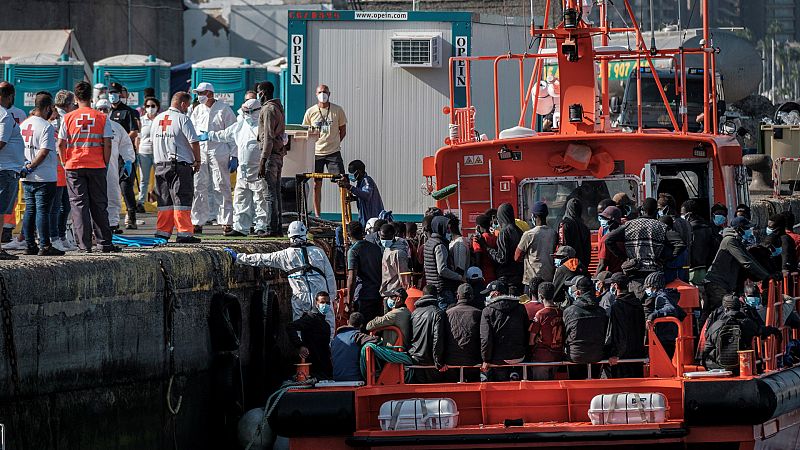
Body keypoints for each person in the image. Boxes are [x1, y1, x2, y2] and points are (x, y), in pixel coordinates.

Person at [226, 221, 337, 322]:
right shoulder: (318, 252)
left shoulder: (284, 255)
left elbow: (261, 259)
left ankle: (301, 344)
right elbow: (330, 276)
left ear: (289, 235)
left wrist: (239, 257)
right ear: (305, 235)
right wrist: (331, 298)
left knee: (298, 328)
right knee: (327, 325)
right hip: (321, 297)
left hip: (300, 297)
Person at [57, 81, 118, 253]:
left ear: (75, 98)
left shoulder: (67, 118)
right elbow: (107, 144)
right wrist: (105, 163)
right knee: (99, 204)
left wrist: (64, 161)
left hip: (74, 166)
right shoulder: (102, 117)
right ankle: (104, 243)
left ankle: (84, 246)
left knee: (79, 205)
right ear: (91, 97)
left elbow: (61, 143)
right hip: (97, 165)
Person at [200, 99, 268, 237]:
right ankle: (240, 227)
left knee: (260, 200)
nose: (247, 114)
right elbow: (224, 134)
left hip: (259, 170)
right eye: (245, 112)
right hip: (243, 171)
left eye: (250, 112)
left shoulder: (264, 126)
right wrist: (209, 135)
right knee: (241, 200)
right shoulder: (241, 125)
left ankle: (262, 226)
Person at [150, 92, 202, 243]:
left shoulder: (158, 119)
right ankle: (184, 233)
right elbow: (194, 141)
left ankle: (162, 233)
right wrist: (197, 161)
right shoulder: (183, 119)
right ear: (183, 104)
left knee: (164, 201)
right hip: (179, 166)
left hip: (160, 165)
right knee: (182, 198)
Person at [703, 216, 772, 326]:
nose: (749, 230)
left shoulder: (737, 241)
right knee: (722, 315)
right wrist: (766, 276)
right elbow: (746, 262)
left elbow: (750, 260)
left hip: (722, 283)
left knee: (715, 315)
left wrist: (766, 274)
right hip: (718, 283)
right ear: (739, 229)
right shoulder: (730, 241)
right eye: (746, 228)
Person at [19, 92, 63, 256]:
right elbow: (44, 151)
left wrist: (26, 167)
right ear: (46, 108)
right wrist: (32, 166)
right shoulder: (46, 126)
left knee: (30, 210)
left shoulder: (24, 124)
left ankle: (30, 244)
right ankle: (45, 245)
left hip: (26, 175)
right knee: (43, 210)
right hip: (44, 176)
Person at [189, 82, 237, 234]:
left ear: (210, 93)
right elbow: (191, 132)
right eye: (198, 93)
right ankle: (197, 221)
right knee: (198, 186)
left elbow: (233, 134)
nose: (199, 96)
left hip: (219, 151)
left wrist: (234, 155)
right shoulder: (197, 110)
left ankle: (226, 221)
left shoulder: (224, 110)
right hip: (200, 151)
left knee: (221, 185)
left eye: (201, 93)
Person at [303, 84, 348, 218]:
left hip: (333, 152)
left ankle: (345, 215)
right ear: (316, 94)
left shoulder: (337, 110)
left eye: (325, 92)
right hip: (316, 153)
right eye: (320, 92)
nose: (323, 94)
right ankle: (318, 215)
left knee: (342, 181)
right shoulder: (310, 112)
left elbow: (343, 130)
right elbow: (305, 131)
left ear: (329, 93)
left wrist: (335, 142)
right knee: (317, 184)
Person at [701, 295, 775, 373]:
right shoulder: (747, 323)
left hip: (719, 365)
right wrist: (774, 330)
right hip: (742, 364)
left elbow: (707, 347)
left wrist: (704, 364)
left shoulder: (716, 325)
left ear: (725, 309)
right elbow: (761, 331)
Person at [95, 99, 136, 234]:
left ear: (110, 111)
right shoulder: (91, 126)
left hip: (111, 168)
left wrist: (128, 161)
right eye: (100, 109)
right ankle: (95, 226)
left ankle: (112, 224)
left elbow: (126, 145)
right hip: (93, 167)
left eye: (105, 109)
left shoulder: (117, 128)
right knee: (94, 198)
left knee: (113, 195)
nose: (102, 112)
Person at [562, 276, 611, 379]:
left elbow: (564, 334)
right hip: (597, 355)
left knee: (575, 383)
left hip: (575, 356)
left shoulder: (569, 311)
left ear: (578, 292)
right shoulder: (601, 311)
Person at [604, 197, 668, 275]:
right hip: (654, 271)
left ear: (642, 209)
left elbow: (608, 240)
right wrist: (664, 259)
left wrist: (624, 258)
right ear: (656, 211)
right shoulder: (661, 226)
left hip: (633, 270)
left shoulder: (629, 225)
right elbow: (679, 244)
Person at [480, 280, 528, 381]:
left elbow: (486, 338)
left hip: (499, 359)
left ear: (496, 293)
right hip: (519, 356)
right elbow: (526, 331)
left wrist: (486, 359)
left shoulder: (487, 311)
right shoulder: (520, 307)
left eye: (489, 293)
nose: (488, 296)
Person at [107, 82, 140, 230]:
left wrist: (121, 141)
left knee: (126, 186)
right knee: (111, 186)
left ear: (120, 94)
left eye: (115, 93)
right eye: (110, 93)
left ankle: (131, 214)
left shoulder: (128, 112)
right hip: (111, 155)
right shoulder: (107, 113)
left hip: (125, 154)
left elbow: (134, 132)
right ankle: (112, 219)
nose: (112, 96)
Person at [256, 81, 286, 237]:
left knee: (269, 194)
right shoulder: (278, 107)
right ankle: (277, 228)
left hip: (270, 155)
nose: (257, 95)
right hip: (278, 154)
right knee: (275, 193)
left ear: (264, 92)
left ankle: (271, 229)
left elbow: (267, 137)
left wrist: (262, 161)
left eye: (259, 92)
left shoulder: (268, 109)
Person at [48, 90, 76, 252]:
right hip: (58, 168)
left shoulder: (66, 117)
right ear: (67, 104)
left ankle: (62, 236)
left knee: (65, 205)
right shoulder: (55, 119)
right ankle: (55, 237)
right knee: (56, 206)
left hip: (66, 167)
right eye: (73, 104)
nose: (74, 106)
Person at [603, 272, 646, 378]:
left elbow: (618, 332)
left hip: (622, 358)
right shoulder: (638, 304)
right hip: (637, 354)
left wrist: (616, 354)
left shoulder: (617, 306)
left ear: (616, 286)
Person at [286, 292, 335, 379]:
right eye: (322, 302)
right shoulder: (310, 318)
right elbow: (290, 327)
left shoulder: (324, 323)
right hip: (313, 366)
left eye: (327, 303)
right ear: (316, 303)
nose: (325, 305)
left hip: (323, 366)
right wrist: (300, 345)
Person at [443, 283, 482, 382]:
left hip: (451, 360)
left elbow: (441, 338)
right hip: (473, 360)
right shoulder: (478, 313)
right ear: (472, 296)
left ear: (457, 296)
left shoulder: (448, 313)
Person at [346, 221, 383, 324]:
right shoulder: (375, 248)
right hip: (377, 294)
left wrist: (349, 302)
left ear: (349, 235)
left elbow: (352, 277)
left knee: (362, 330)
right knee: (375, 329)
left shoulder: (353, 251)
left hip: (363, 296)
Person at [642, 271, 685, 358]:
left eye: (649, 287)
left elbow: (670, 309)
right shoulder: (668, 296)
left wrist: (654, 315)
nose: (647, 290)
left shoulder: (661, 296)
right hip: (669, 337)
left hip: (664, 338)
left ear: (655, 286)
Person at [409, 285, 446, 383]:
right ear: (436, 296)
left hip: (415, 359)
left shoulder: (414, 313)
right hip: (430, 362)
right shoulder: (438, 313)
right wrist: (439, 362)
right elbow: (437, 339)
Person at [424, 215, 462, 309]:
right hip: (442, 289)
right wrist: (459, 277)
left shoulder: (429, 242)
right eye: (447, 228)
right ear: (440, 228)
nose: (449, 231)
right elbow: (442, 270)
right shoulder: (440, 245)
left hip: (432, 288)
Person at [528, 282, 564, 380]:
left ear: (540, 295)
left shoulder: (540, 314)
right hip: (557, 355)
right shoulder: (561, 312)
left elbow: (531, 340)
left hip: (542, 357)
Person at [515, 201, 557, 284]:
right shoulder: (553, 233)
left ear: (534, 216)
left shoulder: (529, 234)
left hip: (532, 279)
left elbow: (517, 257)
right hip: (549, 278)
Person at [484, 203, 524, 289]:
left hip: (506, 277)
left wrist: (487, 248)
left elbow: (502, 258)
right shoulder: (520, 231)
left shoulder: (504, 232)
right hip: (519, 275)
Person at [332, 312, 381, 382]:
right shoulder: (357, 336)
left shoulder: (336, 338)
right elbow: (376, 340)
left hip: (337, 378)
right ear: (361, 326)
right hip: (354, 378)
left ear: (347, 321)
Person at [337, 160, 384, 226]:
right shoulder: (360, 183)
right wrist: (354, 198)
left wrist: (349, 186)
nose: (350, 176)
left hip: (373, 219)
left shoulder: (367, 180)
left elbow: (366, 195)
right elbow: (362, 196)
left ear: (359, 172)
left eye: (352, 173)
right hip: (364, 218)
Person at [681, 199, 716, 285]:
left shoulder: (687, 230)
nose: (681, 216)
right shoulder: (709, 227)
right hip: (708, 269)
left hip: (692, 270)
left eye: (682, 213)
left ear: (689, 214)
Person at [136, 96, 160, 213]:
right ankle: (141, 202)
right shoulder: (141, 120)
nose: (150, 108)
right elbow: (138, 137)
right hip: (144, 152)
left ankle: (160, 199)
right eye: (148, 106)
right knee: (144, 179)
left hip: (157, 153)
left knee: (159, 178)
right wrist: (136, 151)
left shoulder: (160, 119)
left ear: (157, 107)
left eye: (153, 106)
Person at [558, 198, 592, 269]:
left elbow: (563, 248)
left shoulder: (564, 224)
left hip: (569, 266)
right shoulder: (584, 227)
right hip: (582, 266)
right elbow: (587, 252)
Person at [378, 224, 409, 293]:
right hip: (386, 290)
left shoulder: (399, 253)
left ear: (393, 236)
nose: (384, 240)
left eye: (387, 237)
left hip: (395, 292)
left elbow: (403, 276)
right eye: (382, 238)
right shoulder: (387, 248)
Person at [596, 205, 625, 274]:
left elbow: (602, 265)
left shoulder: (605, 239)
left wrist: (594, 280)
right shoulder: (625, 234)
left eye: (605, 219)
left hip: (612, 276)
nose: (602, 221)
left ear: (612, 221)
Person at [472, 214, 497, 283]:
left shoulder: (477, 239)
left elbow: (478, 256)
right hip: (495, 274)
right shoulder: (495, 237)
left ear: (478, 226)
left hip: (483, 275)